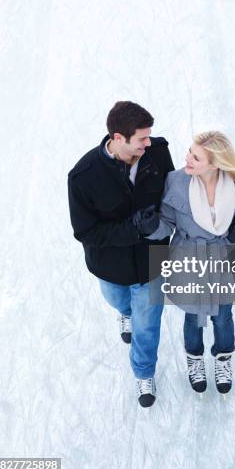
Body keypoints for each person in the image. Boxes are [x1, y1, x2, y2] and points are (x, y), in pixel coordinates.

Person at [67, 101, 174, 408]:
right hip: (110, 267)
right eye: (141, 138)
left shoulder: (157, 154)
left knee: (147, 324)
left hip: (152, 263)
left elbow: (173, 197)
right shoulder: (83, 176)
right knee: (119, 301)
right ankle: (124, 313)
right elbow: (86, 232)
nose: (148, 143)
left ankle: (143, 371)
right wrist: (133, 230)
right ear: (117, 137)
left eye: (149, 136)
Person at [147, 131, 235, 395]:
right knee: (194, 315)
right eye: (189, 152)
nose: (187, 159)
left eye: (196, 157)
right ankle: (194, 358)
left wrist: (233, 236)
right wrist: (151, 227)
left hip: (222, 258)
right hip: (188, 257)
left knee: (222, 316)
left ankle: (223, 357)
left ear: (215, 164)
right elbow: (168, 224)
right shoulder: (176, 182)